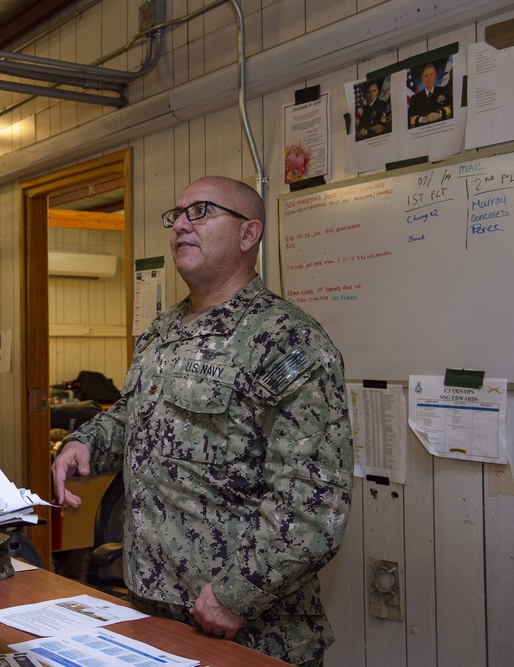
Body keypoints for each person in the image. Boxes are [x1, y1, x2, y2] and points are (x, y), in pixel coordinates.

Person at [51, 176, 353, 667]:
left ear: (248, 234)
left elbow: (313, 505)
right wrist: (84, 443)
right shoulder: (163, 331)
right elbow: (133, 415)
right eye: (177, 215)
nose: (181, 226)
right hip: (153, 607)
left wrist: (236, 595)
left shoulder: (286, 340)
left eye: (202, 212)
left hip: (246, 628)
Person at [408, 62, 452, 127]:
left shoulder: (444, 90)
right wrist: (422, 119)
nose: (428, 78)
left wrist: (439, 113)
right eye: (426, 76)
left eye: (431, 74)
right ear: (422, 79)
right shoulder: (415, 98)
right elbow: (410, 118)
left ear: (435, 76)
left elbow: (452, 107)